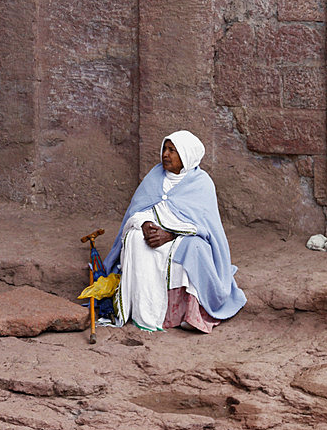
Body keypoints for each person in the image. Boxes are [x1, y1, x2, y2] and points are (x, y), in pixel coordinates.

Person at [104, 130, 246, 333]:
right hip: (154, 234)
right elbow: (138, 211)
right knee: (134, 237)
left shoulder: (202, 183)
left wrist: (169, 234)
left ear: (186, 155)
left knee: (195, 248)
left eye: (173, 150)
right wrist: (145, 225)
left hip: (183, 238)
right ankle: (144, 311)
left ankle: (188, 314)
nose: (165, 155)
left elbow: (204, 227)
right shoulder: (155, 176)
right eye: (165, 149)